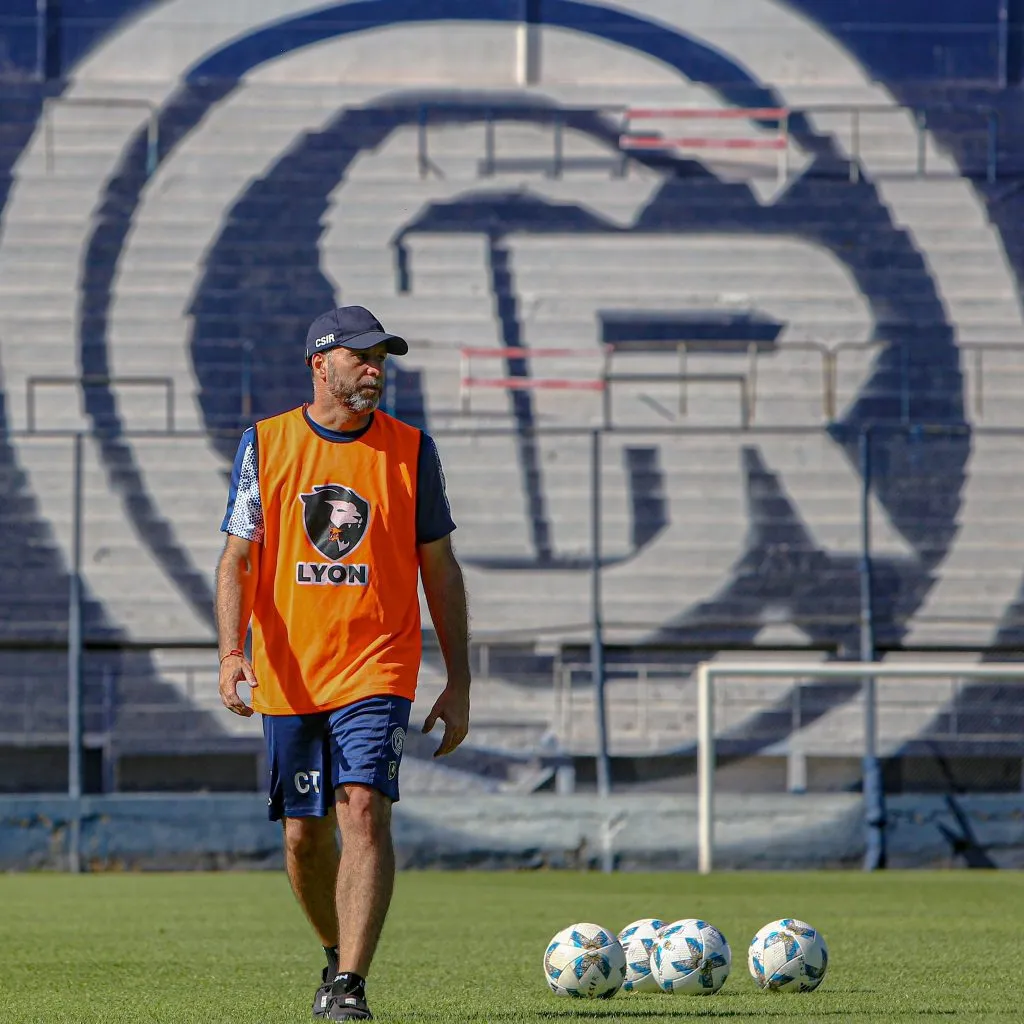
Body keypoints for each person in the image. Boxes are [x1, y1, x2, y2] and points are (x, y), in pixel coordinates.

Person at [215, 305, 471, 1021]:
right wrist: (233, 653)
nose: (374, 368)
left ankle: (351, 985)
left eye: (381, 357)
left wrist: (459, 680)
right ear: (318, 364)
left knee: (363, 809)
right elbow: (236, 559)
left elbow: (441, 570)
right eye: (360, 356)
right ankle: (336, 951)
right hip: (291, 671)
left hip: (378, 668)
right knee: (303, 836)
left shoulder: (413, 450)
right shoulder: (265, 446)